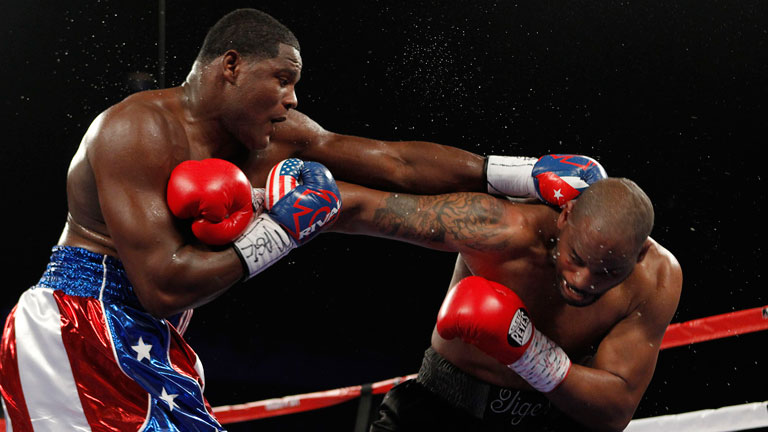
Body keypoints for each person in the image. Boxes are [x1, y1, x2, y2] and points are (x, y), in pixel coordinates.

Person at [0, 8, 605, 431]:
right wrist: (284, 229)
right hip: (78, 328)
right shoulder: (138, 130)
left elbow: (393, 163)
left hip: (153, 340)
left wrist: (517, 172)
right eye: (282, 79)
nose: (292, 99)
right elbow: (163, 286)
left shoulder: (267, 136)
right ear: (230, 66)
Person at [332, 177, 682, 431]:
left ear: (640, 254)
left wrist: (529, 351)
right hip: (438, 407)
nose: (582, 280)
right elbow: (368, 208)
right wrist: (302, 209)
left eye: (608, 272)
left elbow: (615, 410)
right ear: (565, 216)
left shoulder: (656, 279)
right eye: (576, 257)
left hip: (548, 421)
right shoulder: (502, 227)